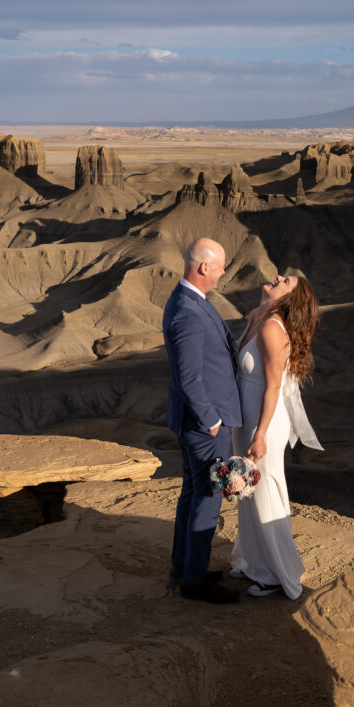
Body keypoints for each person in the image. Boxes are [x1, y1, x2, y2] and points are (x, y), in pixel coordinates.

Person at [230, 273, 322, 599]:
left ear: (287, 300)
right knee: (247, 494)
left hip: (264, 422)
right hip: (248, 420)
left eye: (286, 282)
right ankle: (254, 563)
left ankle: (279, 574)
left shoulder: (271, 329)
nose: (278, 277)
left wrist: (261, 434)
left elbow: (272, 387)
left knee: (265, 491)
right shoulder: (259, 318)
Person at [163, 237, 243, 604]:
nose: (225, 272)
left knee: (193, 494)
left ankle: (185, 566)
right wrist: (212, 420)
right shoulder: (187, 312)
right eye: (222, 265)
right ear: (204, 267)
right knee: (208, 497)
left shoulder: (191, 301)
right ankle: (194, 581)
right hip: (204, 426)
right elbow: (189, 376)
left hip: (199, 423)